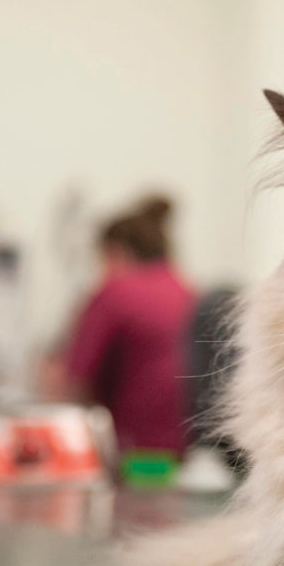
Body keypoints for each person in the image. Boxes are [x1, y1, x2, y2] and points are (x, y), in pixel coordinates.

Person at [59, 196, 197, 458]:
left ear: (116, 251)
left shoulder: (115, 291)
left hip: (134, 456)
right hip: (185, 456)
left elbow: (76, 381)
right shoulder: (187, 289)